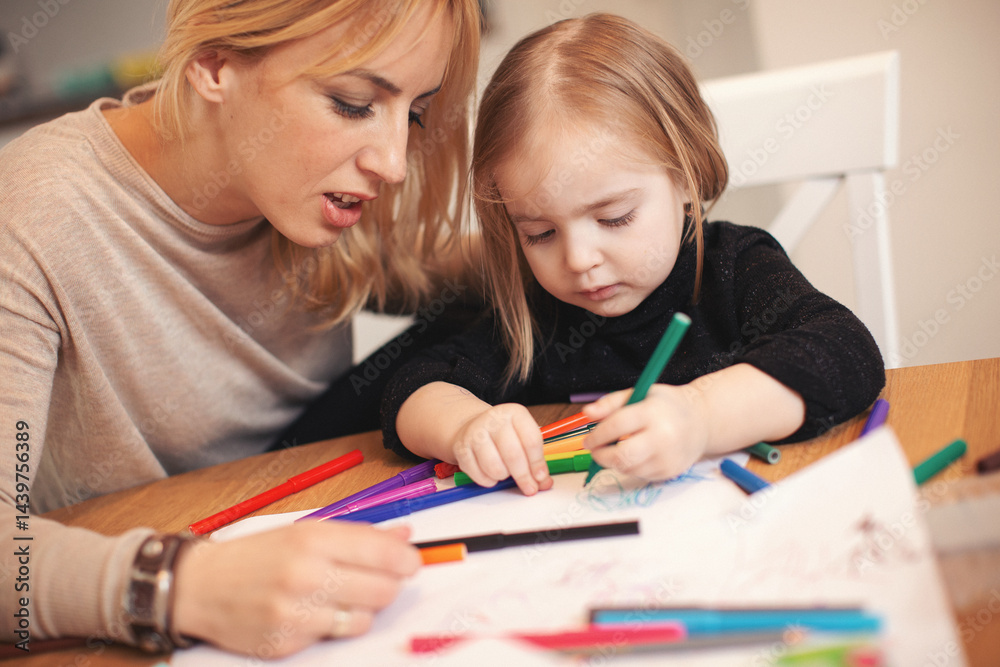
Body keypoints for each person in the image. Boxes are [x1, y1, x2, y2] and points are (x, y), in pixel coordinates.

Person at [0, 0, 482, 657]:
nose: (394, 163)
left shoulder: (322, 194)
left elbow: (460, 268)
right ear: (214, 65)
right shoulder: (33, 213)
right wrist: (180, 587)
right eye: (351, 104)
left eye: (415, 113)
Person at [381, 13, 886, 496]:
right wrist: (466, 426)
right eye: (540, 233)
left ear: (686, 176)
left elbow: (846, 350)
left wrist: (701, 415)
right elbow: (410, 386)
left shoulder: (734, 268)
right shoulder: (533, 314)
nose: (579, 259)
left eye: (614, 218)